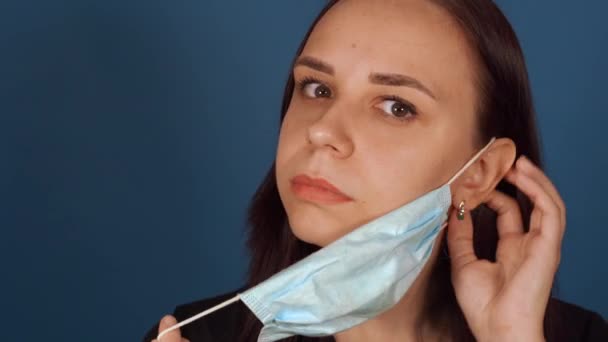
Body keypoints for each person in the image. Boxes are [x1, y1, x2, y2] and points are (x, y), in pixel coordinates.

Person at [143, 0, 608, 341]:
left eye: (396, 106)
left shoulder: (578, 336)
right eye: (317, 88)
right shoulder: (192, 336)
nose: (322, 132)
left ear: (479, 171)